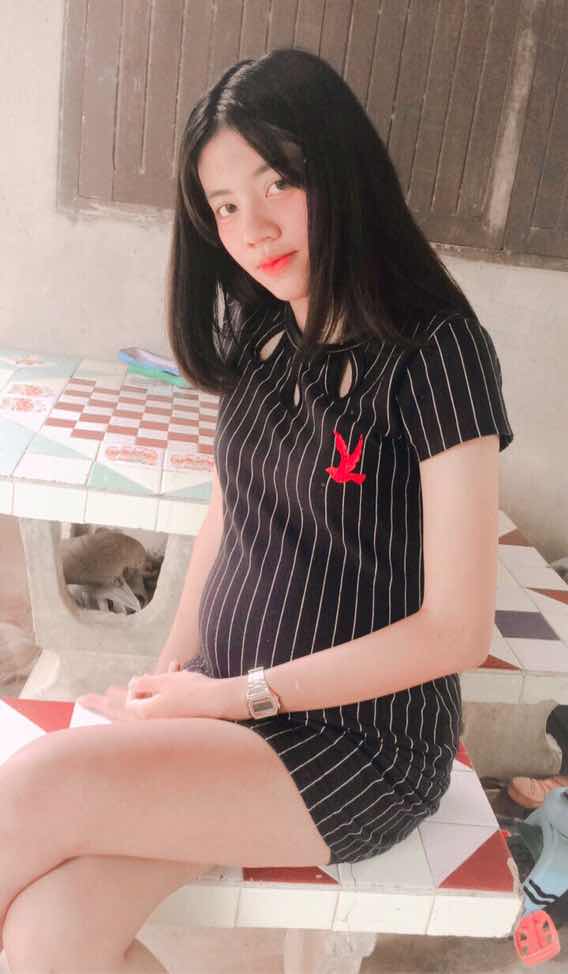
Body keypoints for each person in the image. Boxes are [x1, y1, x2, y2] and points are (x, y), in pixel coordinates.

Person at [0, 48, 514, 973]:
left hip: (356, 746)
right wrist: (171, 675)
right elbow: (227, 518)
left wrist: (228, 698)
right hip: (226, 710)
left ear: (343, 170)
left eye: (279, 182)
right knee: (49, 933)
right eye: (226, 206)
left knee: (33, 790)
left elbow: (457, 630)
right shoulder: (265, 334)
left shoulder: (441, 353)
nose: (254, 227)